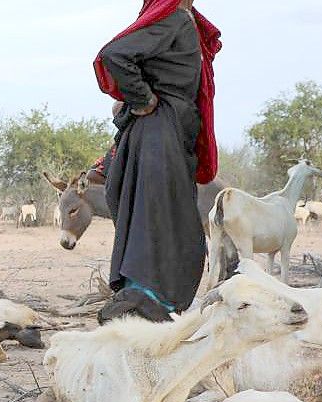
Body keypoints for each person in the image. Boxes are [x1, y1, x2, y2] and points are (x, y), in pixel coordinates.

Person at [93, 0, 222, 323]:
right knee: (158, 215)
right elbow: (114, 54)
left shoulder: (183, 18)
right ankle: (145, 302)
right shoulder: (174, 18)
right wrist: (143, 98)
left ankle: (149, 301)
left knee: (163, 215)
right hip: (158, 133)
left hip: (165, 133)